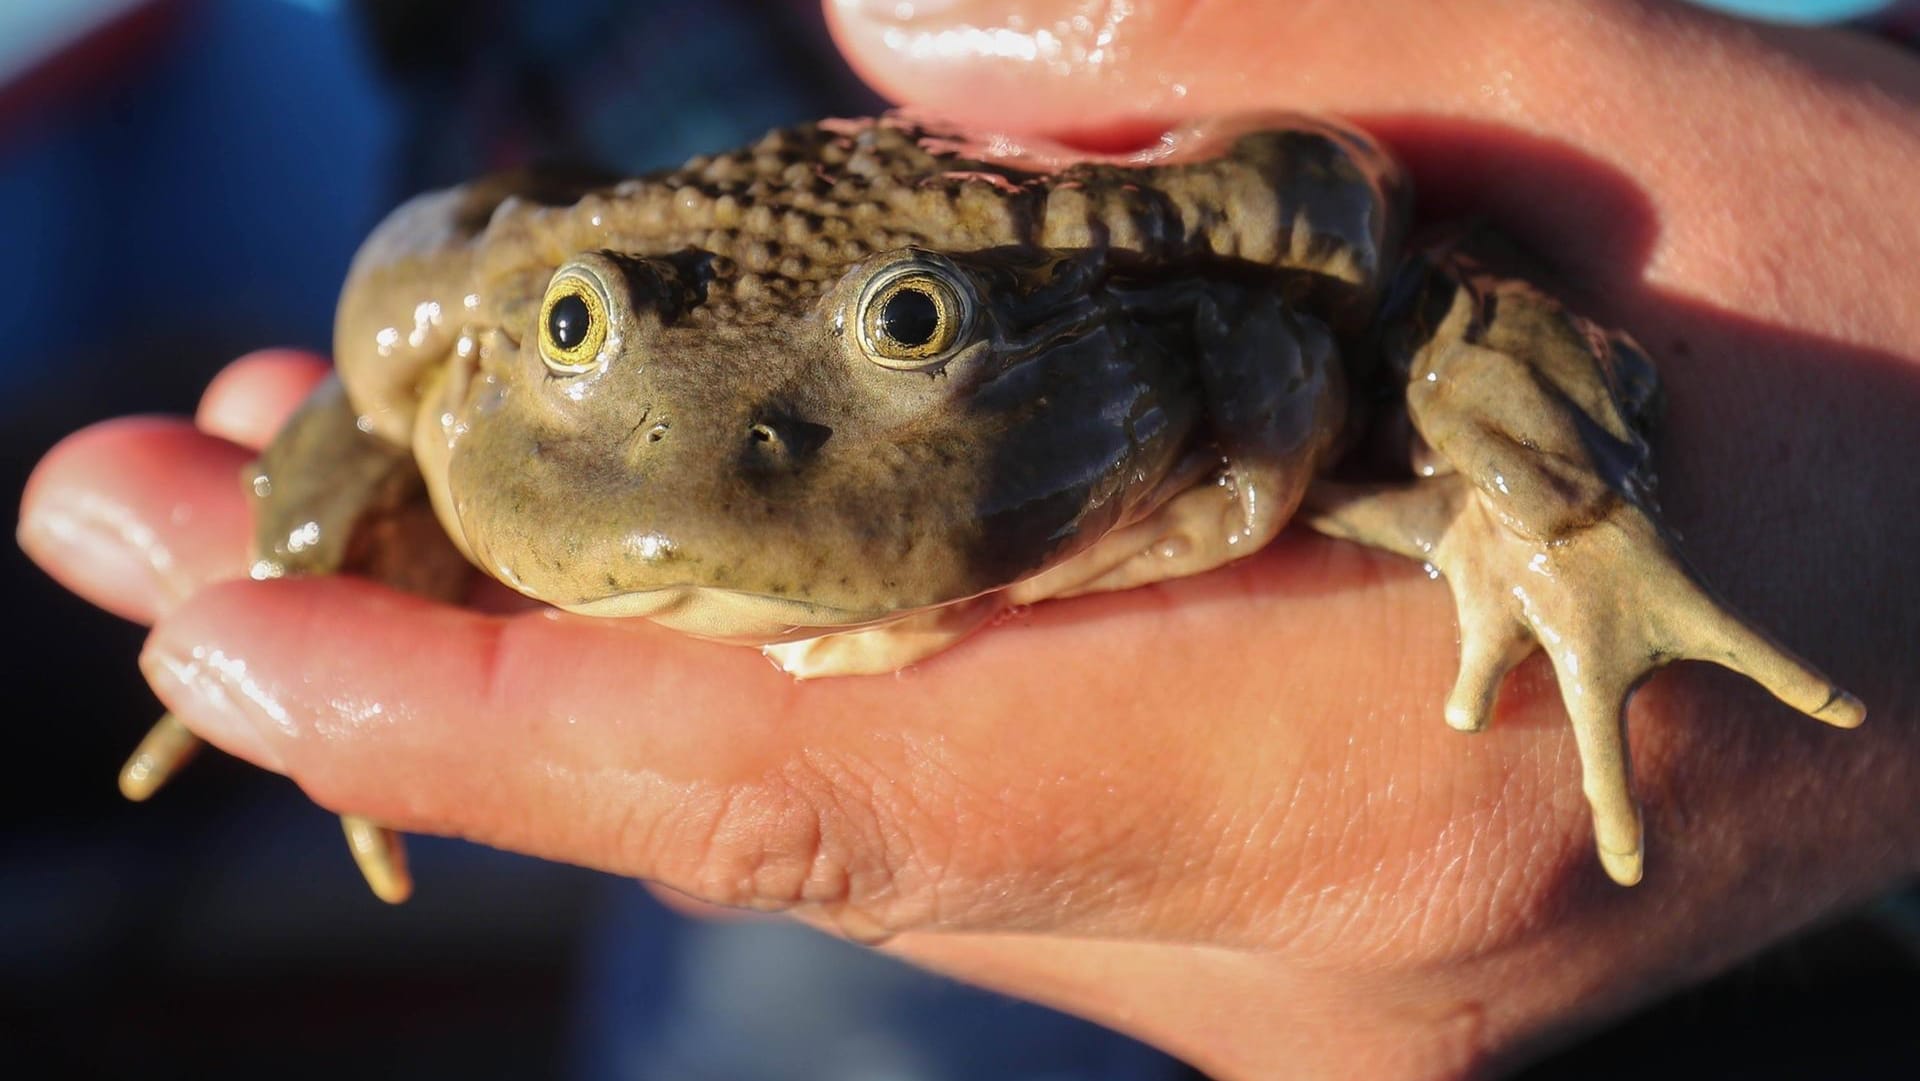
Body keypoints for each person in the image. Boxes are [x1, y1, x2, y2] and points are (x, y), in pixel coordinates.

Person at [19, 1, 1920, 1077]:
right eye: (572, 339)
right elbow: (401, 334)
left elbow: (1408, 283)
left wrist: (1588, 522)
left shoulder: (1213, 317)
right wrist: (359, 507)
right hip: (635, 139)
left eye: (915, 336)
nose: (707, 486)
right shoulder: (534, 291)